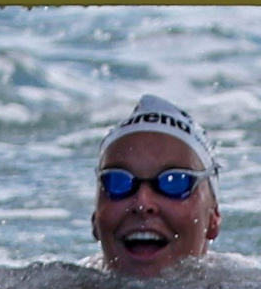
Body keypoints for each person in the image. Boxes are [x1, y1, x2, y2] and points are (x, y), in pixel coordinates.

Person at [91, 94, 222, 277]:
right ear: (95, 219)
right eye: (118, 182)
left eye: (175, 182)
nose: (143, 204)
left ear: (213, 218)